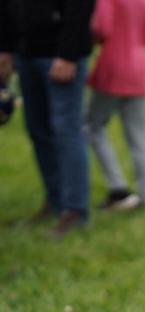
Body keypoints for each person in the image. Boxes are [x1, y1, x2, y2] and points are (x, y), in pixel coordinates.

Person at [0, 0, 95, 238]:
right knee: (37, 129)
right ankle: (55, 200)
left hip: (59, 55)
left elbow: (81, 7)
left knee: (65, 129)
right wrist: (6, 47)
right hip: (25, 53)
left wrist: (68, 54)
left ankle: (75, 210)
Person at [84, 0, 145, 210]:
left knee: (92, 126)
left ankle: (117, 187)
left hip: (112, 66)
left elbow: (100, 28)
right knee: (138, 135)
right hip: (138, 68)